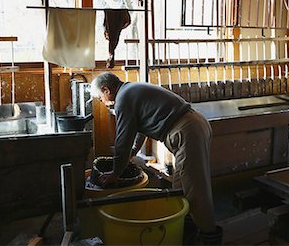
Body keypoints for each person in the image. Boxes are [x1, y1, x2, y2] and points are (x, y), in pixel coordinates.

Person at [90, 72, 222, 245]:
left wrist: (116, 172)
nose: (101, 101)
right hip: (192, 125)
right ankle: (187, 231)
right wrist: (133, 152)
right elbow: (139, 128)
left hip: (188, 130)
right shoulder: (131, 90)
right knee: (180, 186)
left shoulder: (123, 99)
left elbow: (122, 139)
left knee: (195, 189)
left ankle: (209, 238)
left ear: (106, 90)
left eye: (100, 97)